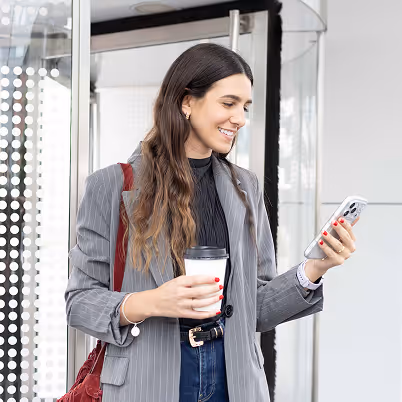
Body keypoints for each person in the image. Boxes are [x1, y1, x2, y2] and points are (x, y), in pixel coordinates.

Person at [65, 43, 359, 402]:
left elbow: (257, 308)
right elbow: (79, 302)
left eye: (245, 107)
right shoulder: (112, 185)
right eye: (229, 103)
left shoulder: (245, 187)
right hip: (147, 380)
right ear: (186, 102)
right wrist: (151, 302)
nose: (241, 118)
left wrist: (315, 267)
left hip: (233, 379)